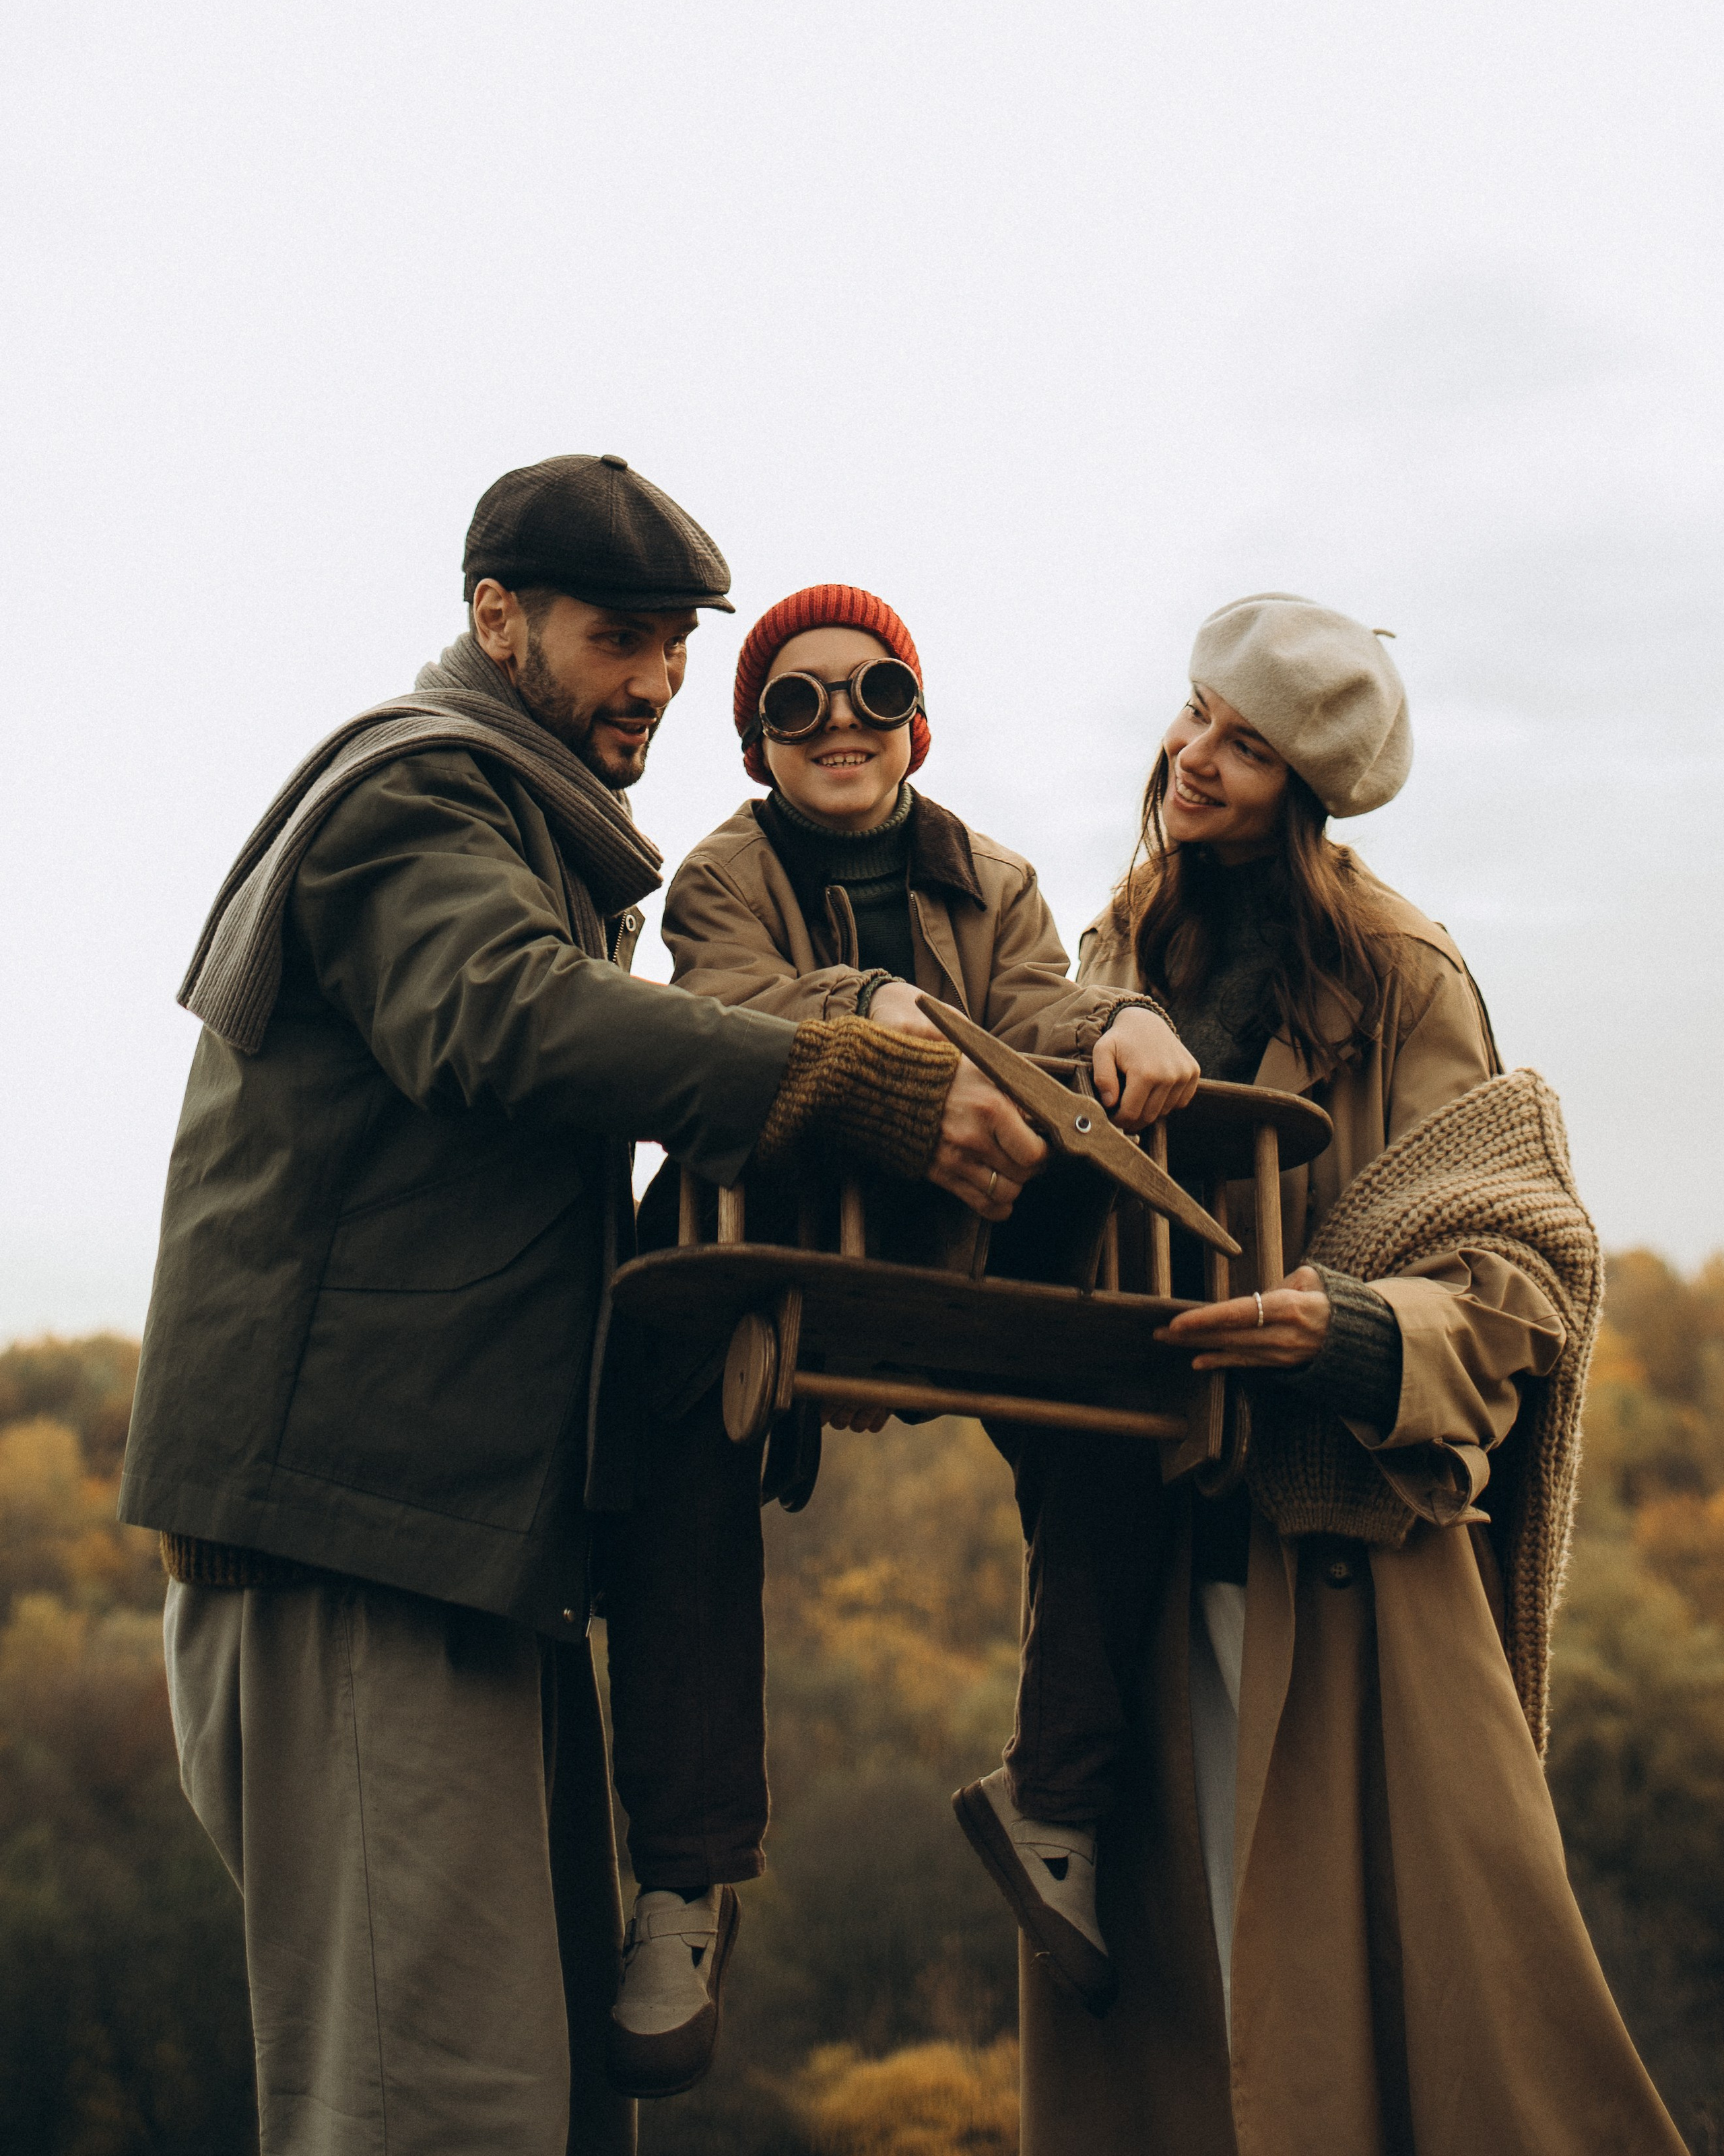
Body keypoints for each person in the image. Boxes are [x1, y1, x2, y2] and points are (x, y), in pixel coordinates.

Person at [119, 460, 1046, 2156]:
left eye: (673, 653)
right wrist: (849, 1086)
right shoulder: (416, 802)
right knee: (429, 2109)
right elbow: (503, 1015)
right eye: (622, 640)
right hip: (355, 1554)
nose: (653, 684)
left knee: (539, 2104)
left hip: (468, 1547)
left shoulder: (534, 831)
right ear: (496, 618)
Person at [1004, 592, 1683, 2156]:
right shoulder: (1122, 942)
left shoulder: (1399, 971)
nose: (1195, 757)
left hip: (1349, 1578)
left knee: (1430, 2040)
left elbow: (1510, 1268)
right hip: (1144, 1554)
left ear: (1304, 784)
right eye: (1194, 715)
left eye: (1244, 745)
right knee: (1186, 2029)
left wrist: (1351, 1329)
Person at [602, 582, 1200, 2078]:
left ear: (914, 721)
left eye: (869, 694)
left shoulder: (989, 876)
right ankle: (682, 1873)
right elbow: (731, 1008)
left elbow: (1042, 1011)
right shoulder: (716, 874)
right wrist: (877, 1001)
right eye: (792, 704)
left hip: (972, 1237)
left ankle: (1055, 1796)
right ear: (755, 745)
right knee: (677, 1429)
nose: (838, 728)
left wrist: (1118, 1015)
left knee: (1136, 1375)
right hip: (783, 1229)